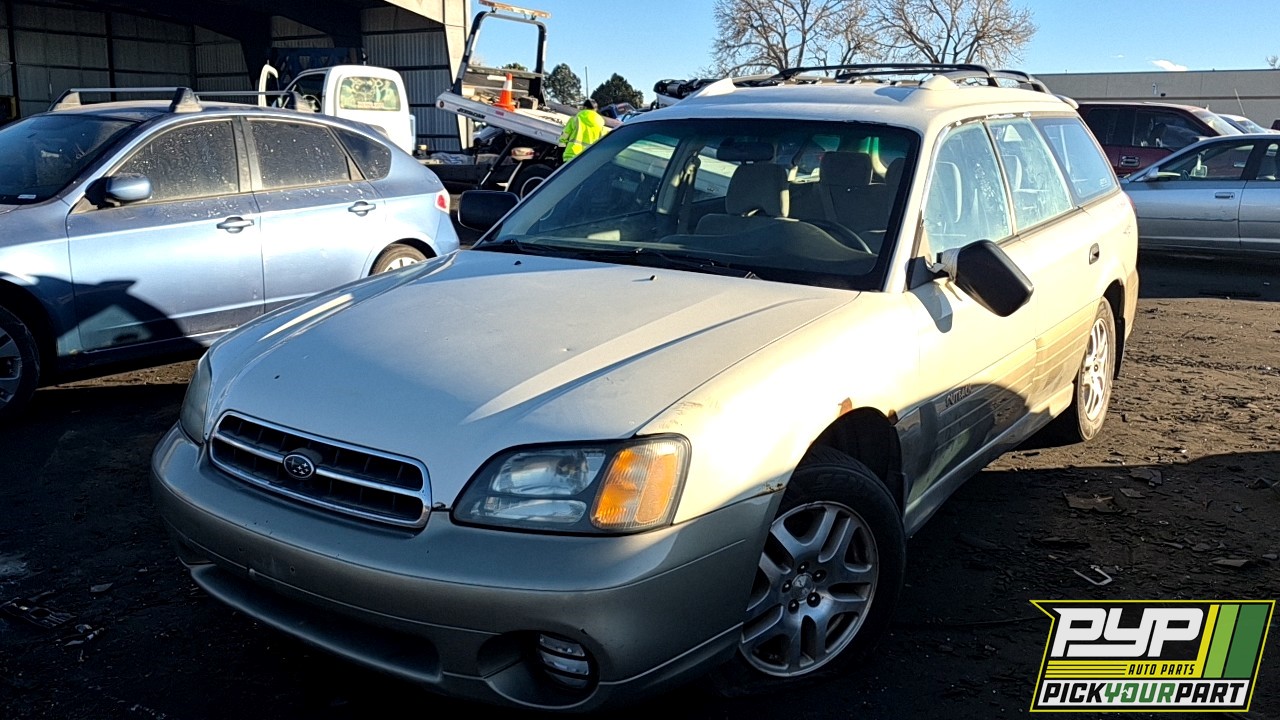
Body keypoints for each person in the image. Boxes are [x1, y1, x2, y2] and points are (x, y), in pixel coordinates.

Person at [558, 98, 607, 162]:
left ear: (584, 107)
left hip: (571, 156)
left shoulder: (575, 119)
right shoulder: (601, 124)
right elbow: (602, 143)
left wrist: (560, 151)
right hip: (587, 159)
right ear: (595, 109)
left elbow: (564, 136)